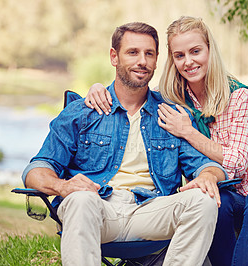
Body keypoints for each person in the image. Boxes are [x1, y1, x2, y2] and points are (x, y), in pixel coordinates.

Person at [85, 16, 248, 266]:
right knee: (215, 201)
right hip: (227, 198)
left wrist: (188, 131)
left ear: (210, 50)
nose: (189, 61)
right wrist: (98, 88)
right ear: (172, 60)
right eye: (180, 55)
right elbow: (133, 92)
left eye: (196, 51)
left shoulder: (240, 97)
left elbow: (236, 164)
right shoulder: (174, 101)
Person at [21, 22, 228, 266]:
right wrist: (63, 186)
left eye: (149, 54)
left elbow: (208, 166)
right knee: (79, 199)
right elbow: (35, 171)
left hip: (151, 210)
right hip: (98, 209)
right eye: (132, 52)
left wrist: (208, 175)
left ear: (156, 59)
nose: (142, 61)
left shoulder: (170, 115)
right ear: (114, 56)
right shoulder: (82, 113)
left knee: (203, 201)